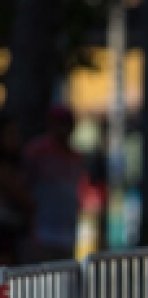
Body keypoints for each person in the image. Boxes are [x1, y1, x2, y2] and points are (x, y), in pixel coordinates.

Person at [21, 104, 85, 262]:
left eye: (67, 124)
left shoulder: (75, 157)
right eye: (59, 123)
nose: (63, 129)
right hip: (41, 233)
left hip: (67, 233)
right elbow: (24, 186)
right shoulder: (36, 152)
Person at [0, 115, 31, 265]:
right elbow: (25, 200)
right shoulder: (4, 169)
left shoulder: (17, 164)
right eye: (10, 133)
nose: (16, 138)